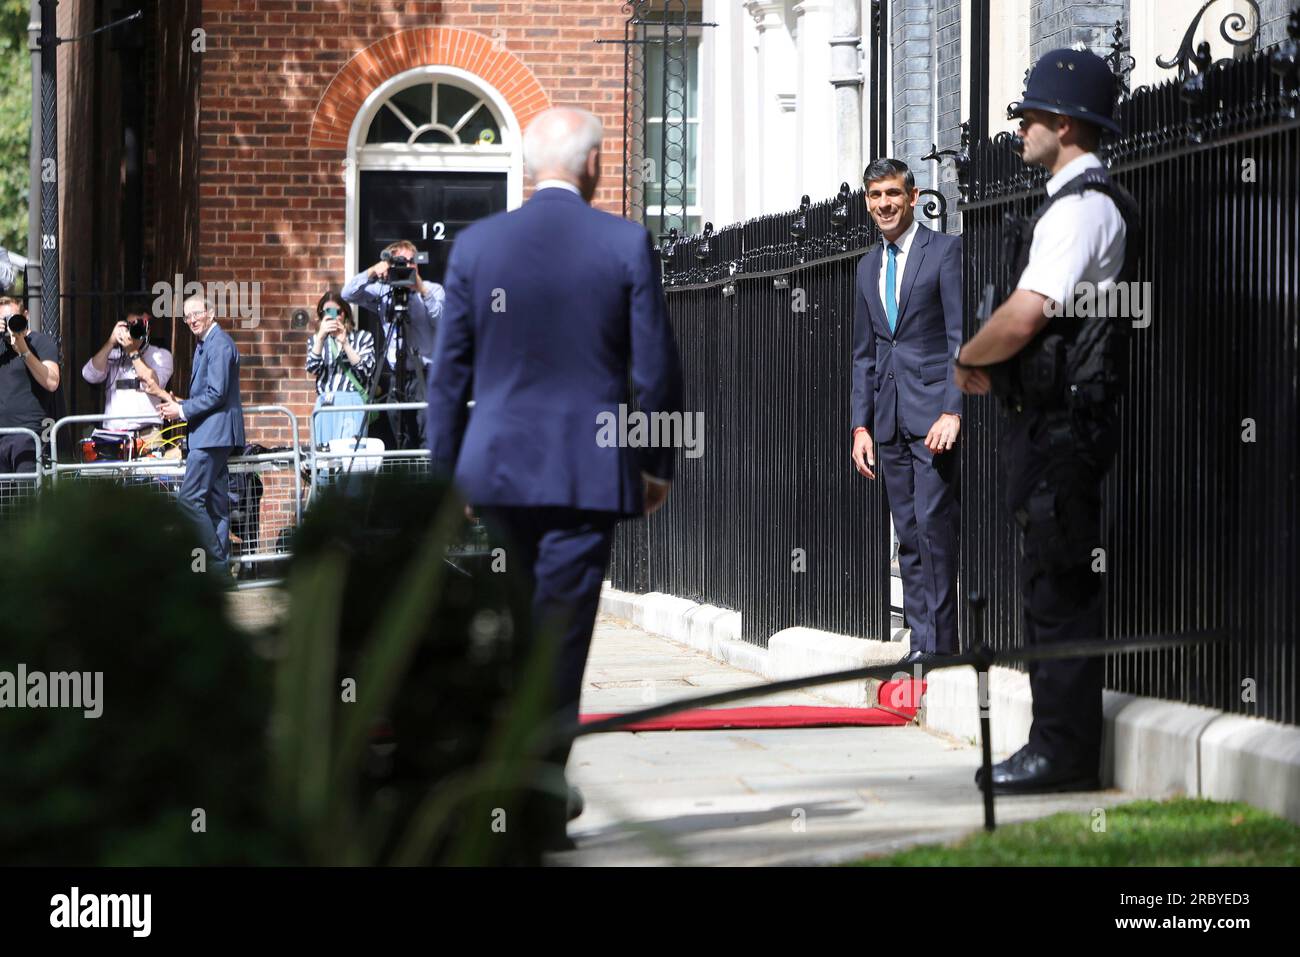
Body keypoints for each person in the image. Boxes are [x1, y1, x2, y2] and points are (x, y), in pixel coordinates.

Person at [425, 106, 684, 849]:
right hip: (584, 469)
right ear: (596, 164)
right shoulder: (625, 241)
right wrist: (655, 461)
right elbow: (655, 369)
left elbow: (450, 377)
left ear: (528, 165)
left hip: (497, 471)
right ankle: (536, 788)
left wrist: (446, 479)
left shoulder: (478, 246)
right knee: (559, 637)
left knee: (506, 629)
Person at [955, 48, 1139, 793]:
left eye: (1029, 115)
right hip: (1050, 419)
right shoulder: (1073, 204)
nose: (1020, 127)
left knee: (1059, 585)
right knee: (1047, 578)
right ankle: (1052, 745)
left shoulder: (1079, 209)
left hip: (1064, 425)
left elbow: (1028, 313)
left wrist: (969, 357)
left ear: (1063, 124)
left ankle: (1060, 754)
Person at [850, 158, 964, 663]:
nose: (884, 205)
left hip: (934, 419)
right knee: (909, 537)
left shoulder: (944, 252)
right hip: (888, 421)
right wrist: (860, 425)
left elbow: (963, 338)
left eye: (893, 194)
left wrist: (953, 410)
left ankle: (942, 647)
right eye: (875, 197)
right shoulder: (867, 266)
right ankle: (921, 644)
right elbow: (866, 353)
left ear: (914, 197)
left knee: (933, 528)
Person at [160, 297, 246, 581]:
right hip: (212, 435)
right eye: (187, 317)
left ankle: (218, 566)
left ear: (210, 313)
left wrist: (182, 410)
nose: (192, 320)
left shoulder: (219, 344)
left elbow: (217, 393)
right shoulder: (206, 344)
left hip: (212, 437)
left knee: (189, 500)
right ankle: (221, 579)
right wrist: (180, 404)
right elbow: (211, 394)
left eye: (196, 313)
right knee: (215, 507)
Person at [342, 239, 444, 450]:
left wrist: (421, 289)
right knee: (399, 434)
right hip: (396, 375)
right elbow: (348, 294)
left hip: (425, 374)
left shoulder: (433, 290)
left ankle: (429, 478)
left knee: (427, 432)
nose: (407, 266)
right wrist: (372, 271)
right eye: (401, 262)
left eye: (411, 261)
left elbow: (443, 321)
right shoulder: (383, 292)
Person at [81, 303, 174, 434]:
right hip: (114, 432)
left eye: (140, 326)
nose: (134, 331)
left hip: (147, 433)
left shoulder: (161, 356)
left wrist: (132, 351)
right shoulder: (114, 355)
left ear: (148, 330)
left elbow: (153, 384)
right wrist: (111, 342)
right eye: (130, 326)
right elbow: (90, 375)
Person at [306, 291, 376, 447]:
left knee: (350, 456)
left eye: (337, 312)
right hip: (325, 403)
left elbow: (367, 371)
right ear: (321, 315)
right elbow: (312, 368)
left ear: (346, 313)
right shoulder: (316, 340)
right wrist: (321, 338)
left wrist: (345, 344)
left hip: (352, 401)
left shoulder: (363, 337)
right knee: (324, 455)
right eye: (327, 312)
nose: (333, 316)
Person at [0, 297, 59, 474]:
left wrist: (23, 350)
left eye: (12, 318)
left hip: (27, 435)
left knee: (27, 498)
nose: (8, 326)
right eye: (4, 321)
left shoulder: (40, 342)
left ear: (25, 315)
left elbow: (52, 382)